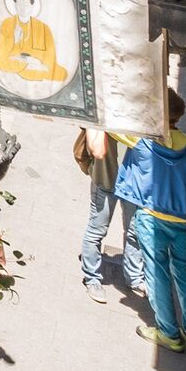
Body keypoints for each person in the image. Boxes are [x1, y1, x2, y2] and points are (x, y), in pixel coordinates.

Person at [114, 95, 186, 351]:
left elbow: (113, 125)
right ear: (179, 117)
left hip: (152, 217)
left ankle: (168, 332)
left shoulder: (141, 140)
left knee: (157, 274)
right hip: (184, 219)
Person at [72, 122, 126, 296]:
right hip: (105, 181)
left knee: (133, 233)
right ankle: (92, 278)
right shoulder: (100, 113)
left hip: (132, 186)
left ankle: (135, 277)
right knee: (97, 230)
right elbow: (97, 150)